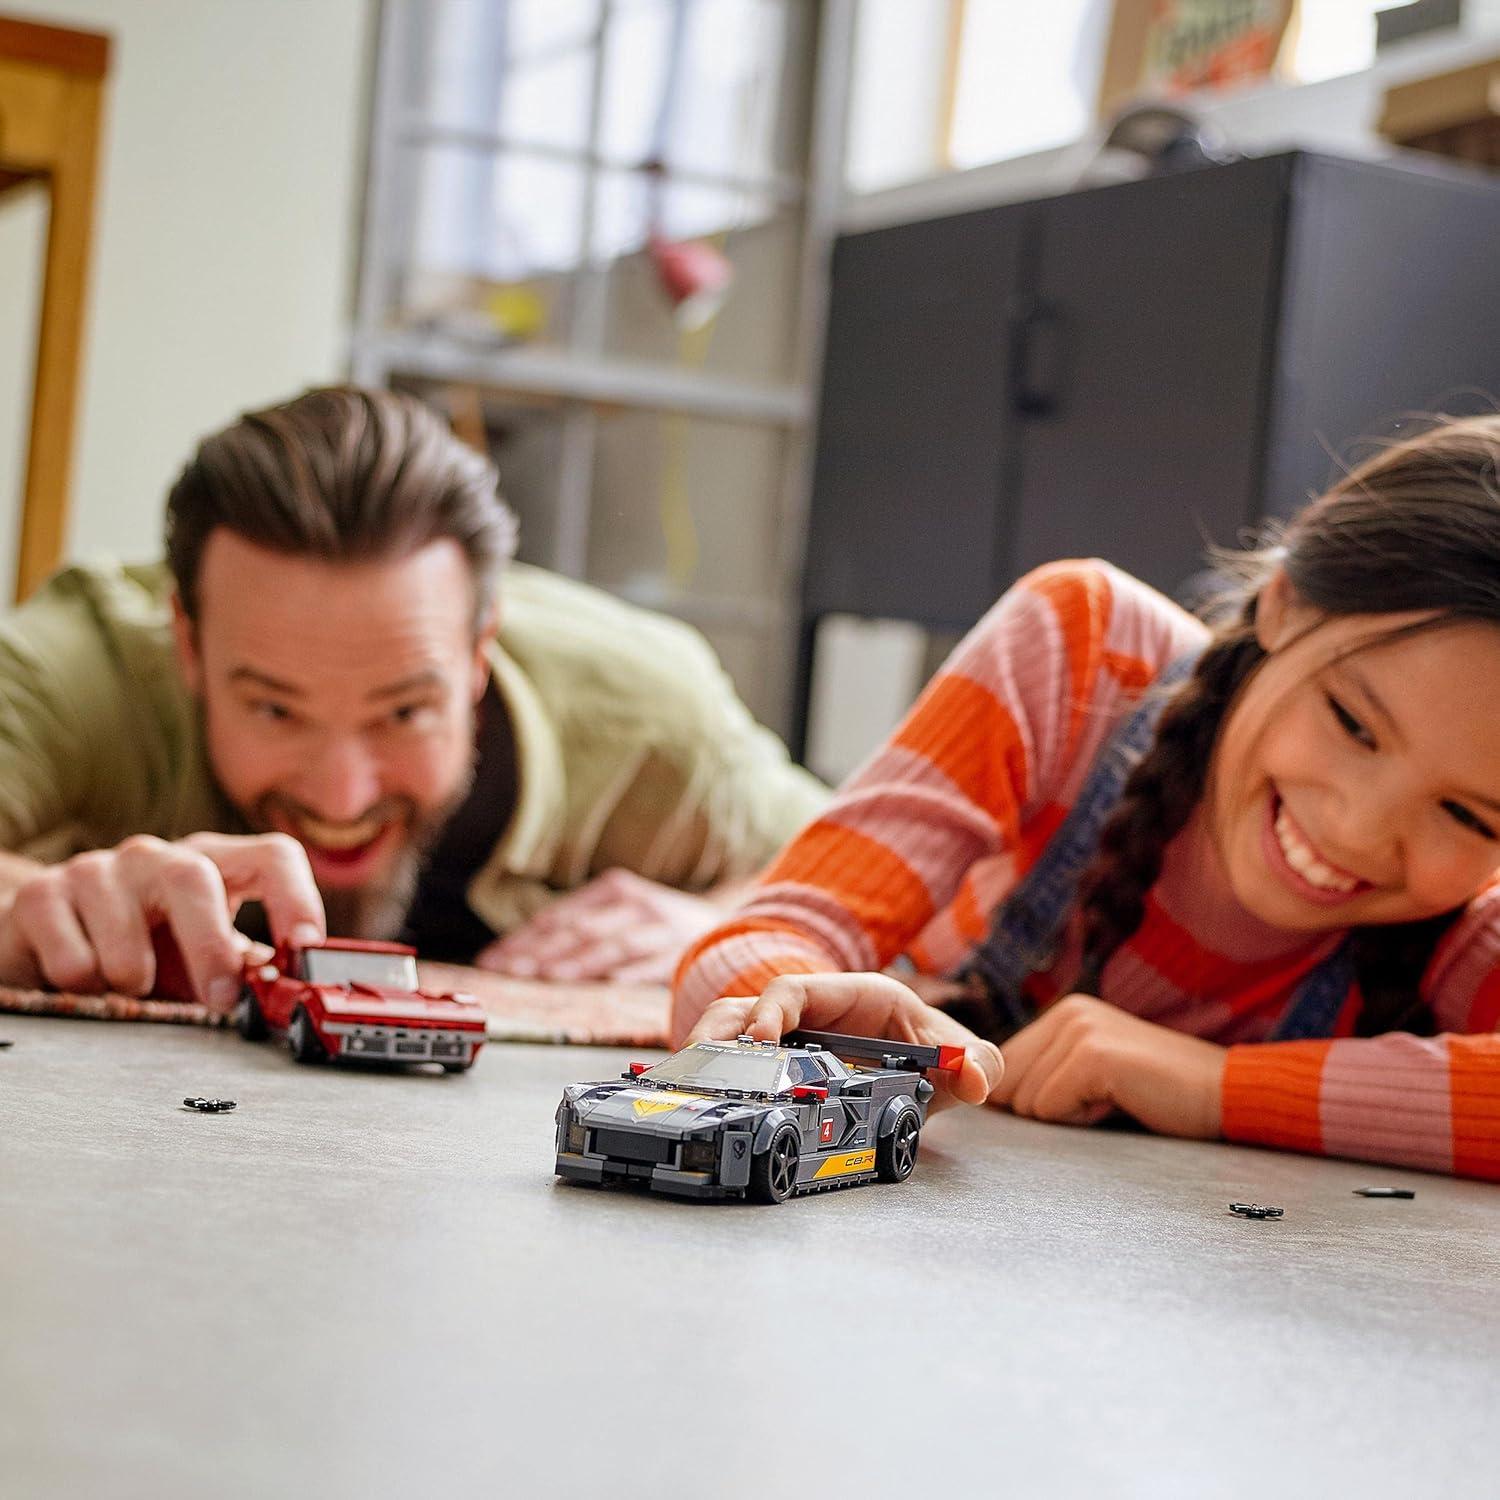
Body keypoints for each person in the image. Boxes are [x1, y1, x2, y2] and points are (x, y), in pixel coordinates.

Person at [674, 414, 1500, 1181]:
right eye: (1353, 722)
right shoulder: (1084, 653)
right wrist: (814, 1028)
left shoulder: (1467, 925)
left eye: (1468, 816)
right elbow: (752, 951)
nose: (1358, 830)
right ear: (1286, 603)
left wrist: (1215, 1085)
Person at [0, 386, 825, 1013]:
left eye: (403, 712)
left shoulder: (649, 715)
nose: (342, 798)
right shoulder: (65, 676)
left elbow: (874, 874)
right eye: (275, 710)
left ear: (478, 650)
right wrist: (27, 911)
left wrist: (732, 922)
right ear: (185, 642)